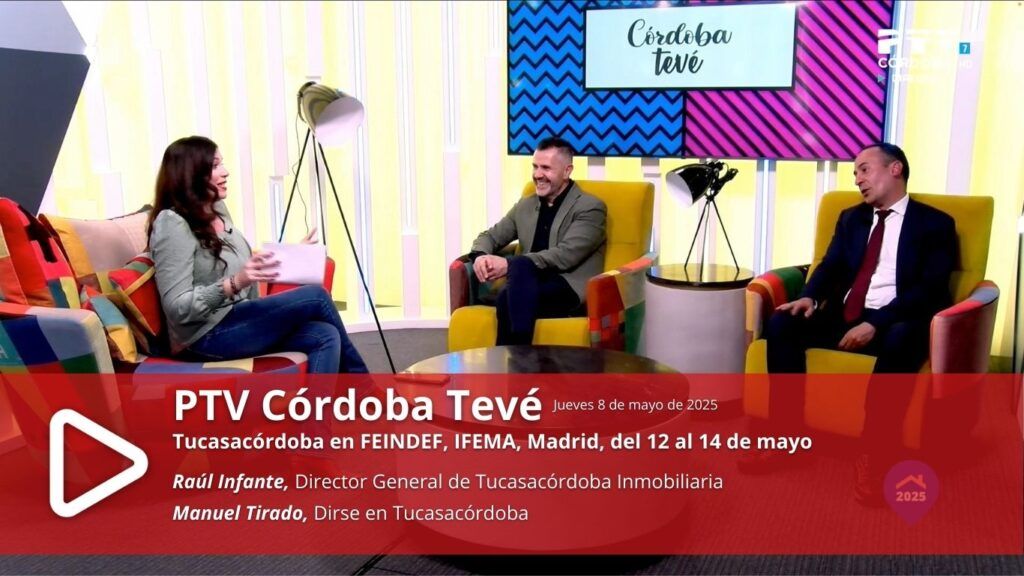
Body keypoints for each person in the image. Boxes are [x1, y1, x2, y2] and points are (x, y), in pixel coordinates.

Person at [738, 143, 957, 506]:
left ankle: (876, 456)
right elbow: (830, 266)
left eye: (864, 169)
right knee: (783, 323)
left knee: (902, 337)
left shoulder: (935, 224)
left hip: (898, 319)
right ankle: (787, 441)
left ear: (895, 169)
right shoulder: (851, 218)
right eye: (855, 173)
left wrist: (878, 323)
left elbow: (931, 289)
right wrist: (809, 297)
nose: (857, 179)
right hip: (846, 315)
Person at [147, 135, 368, 374]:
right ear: (191, 174)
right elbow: (177, 308)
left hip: (238, 318)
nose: (226, 172)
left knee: (325, 335)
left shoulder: (216, 209)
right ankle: (368, 389)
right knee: (317, 296)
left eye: (222, 163)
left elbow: (241, 264)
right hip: (203, 337)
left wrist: (291, 255)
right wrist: (234, 283)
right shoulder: (172, 224)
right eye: (215, 166)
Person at [468, 137, 607, 345]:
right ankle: (521, 359)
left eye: (546, 168)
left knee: (512, 284)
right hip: (525, 282)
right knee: (514, 285)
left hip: (566, 285)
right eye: (535, 167)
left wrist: (510, 264)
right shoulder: (526, 205)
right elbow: (490, 236)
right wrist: (480, 256)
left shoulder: (590, 207)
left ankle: (511, 359)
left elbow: (565, 255)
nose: (537, 175)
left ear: (567, 171)